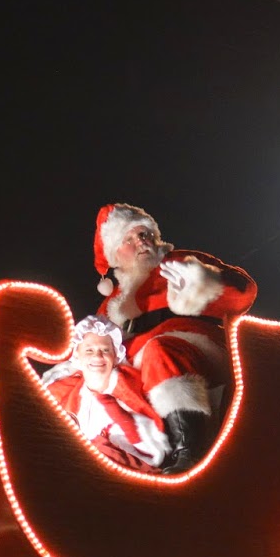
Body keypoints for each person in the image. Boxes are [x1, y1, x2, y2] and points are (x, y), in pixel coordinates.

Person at [86, 202, 257, 473]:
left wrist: (199, 282)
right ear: (115, 255)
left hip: (193, 351)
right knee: (87, 385)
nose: (141, 242)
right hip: (138, 374)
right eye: (129, 239)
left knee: (159, 351)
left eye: (144, 234)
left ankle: (190, 450)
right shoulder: (110, 304)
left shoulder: (179, 262)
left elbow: (243, 295)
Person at [44, 316, 170, 471]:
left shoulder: (130, 390)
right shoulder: (64, 396)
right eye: (89, 350)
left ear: (115, 355)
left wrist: (116, 411)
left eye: (105, 350)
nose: (97, 356)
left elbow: (153, 451)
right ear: (77, 355)